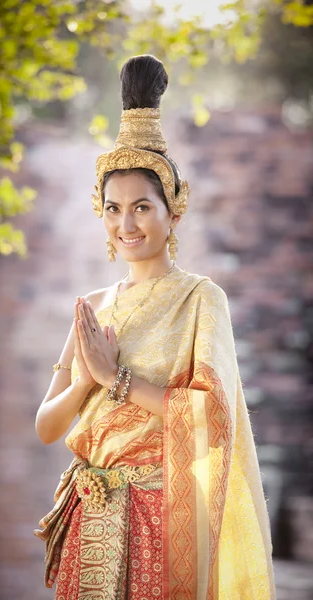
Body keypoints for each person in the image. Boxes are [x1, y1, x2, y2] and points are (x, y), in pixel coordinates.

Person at [34, 54, 276, 599]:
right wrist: (84, 381)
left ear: (174, 210)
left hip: (159, 516)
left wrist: (116, 379)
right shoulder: (92, 307)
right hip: (89, 519)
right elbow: (47, 428)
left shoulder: (200, 299)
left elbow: (212, 420)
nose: (127, 223)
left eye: (142, 206)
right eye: (113, 208)